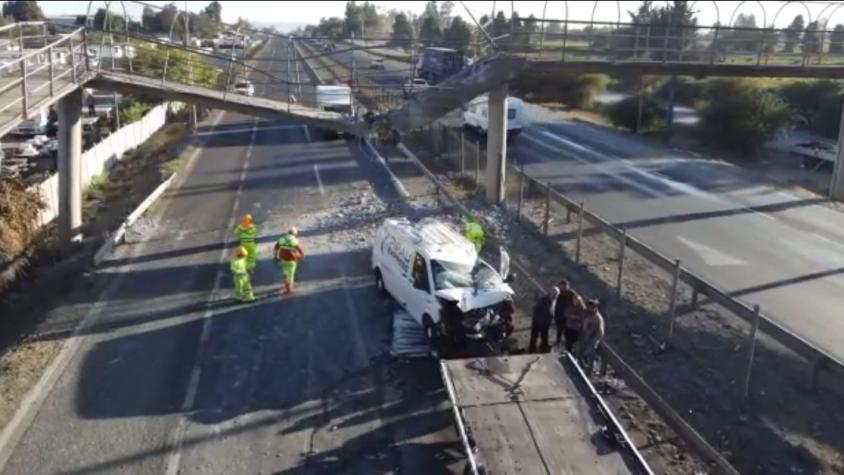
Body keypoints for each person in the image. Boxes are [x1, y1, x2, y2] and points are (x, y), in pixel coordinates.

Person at [554, 279, 584, 348]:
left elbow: (578, 301)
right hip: (558, 312)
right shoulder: (558, 292)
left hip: (567, 314)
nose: (563, 288)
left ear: (568, 286)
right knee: (559, 328)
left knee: (566, 330)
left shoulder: (571, 293)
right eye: (561, 286)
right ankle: (558, 341)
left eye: (564, 286)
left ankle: (566, 344)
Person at [578, 299, 605, 375]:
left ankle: (589, 371)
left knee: (590, 356)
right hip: (583, 336)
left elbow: (600, 332)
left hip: (592, 339)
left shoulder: (598, 318)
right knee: (579, 353)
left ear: (595, 308)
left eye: (592, 307)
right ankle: (580, 367)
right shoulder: (586, 313)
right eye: (589, 306)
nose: (590, 308)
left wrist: (595, 342)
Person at [274, 226, 304, 294]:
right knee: (291, 274)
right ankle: (289, 289)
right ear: (295, 234)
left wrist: (276, 256)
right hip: (291, 260)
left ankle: (285, 281)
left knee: (285, 271)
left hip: (283, 259)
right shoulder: (295, 240)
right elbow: (300, 249)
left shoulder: (282, 239)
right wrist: (301, 256)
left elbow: (276, 247)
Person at [529, 286, 559, 353]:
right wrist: (539, 319)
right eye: (554, 293)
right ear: (550, 292)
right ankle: (532, 349)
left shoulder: (554, 301)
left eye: (556, 294)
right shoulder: (543, 300)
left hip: (546, 323)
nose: (555, 295)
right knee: (534, 336)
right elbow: (535, 309)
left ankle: (543, 348)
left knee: (544, 337)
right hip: (538, 321)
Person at [563, 289, 587, 354]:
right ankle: (568, 352)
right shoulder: (570, 306)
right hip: (568, 326)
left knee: (574, 341)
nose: (575, 301)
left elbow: (582, 317)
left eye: (576, 300)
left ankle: (573, 353)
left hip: (576, 328)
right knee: (568, 340)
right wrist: (569, 316)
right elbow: (566, 313)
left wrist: (575, 317)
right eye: (574, 300)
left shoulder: (582, 308)